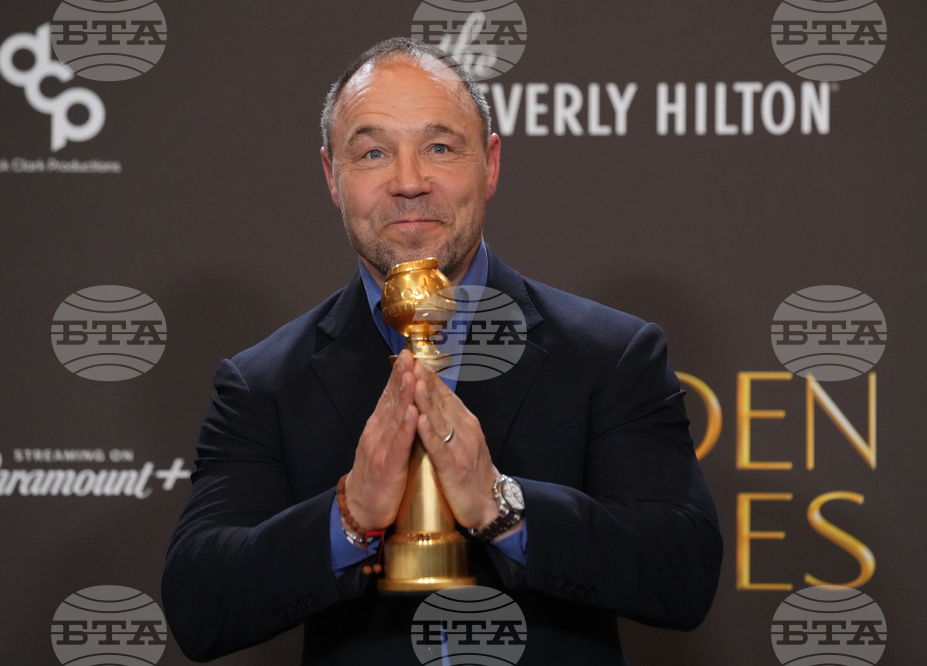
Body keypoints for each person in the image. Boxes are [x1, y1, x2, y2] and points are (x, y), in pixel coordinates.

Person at [162, 37, 722, 664]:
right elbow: (199, 606)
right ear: (331, 177)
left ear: (490, 164)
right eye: (373, 152)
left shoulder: (611, 355)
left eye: (439, 147)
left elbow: (683, 575)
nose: (409, 181)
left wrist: (501, 504)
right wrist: (348, 516)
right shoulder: (263, 382)